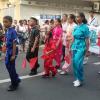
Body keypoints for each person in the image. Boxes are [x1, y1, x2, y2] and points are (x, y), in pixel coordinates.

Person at [71, 12, 90, 87]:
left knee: (78, 63)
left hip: (82, 46)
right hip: (75, 46)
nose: (76, 18)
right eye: (76, 17)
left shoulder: (85, 27)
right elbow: (73, 37)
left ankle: (80, 79)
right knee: (74, 63)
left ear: (82, 18)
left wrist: (87, 50)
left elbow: (87, 39)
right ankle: (77, 78)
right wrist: (70, 46)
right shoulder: (75, 27)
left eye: (78, 17)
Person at [3, 16, 21, 91]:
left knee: (11, 68)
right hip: (8, 50)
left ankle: (14, 84)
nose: (4, 23)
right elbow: (7, 41)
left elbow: (14, 43)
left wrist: (13, 55)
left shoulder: (13, 31)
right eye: (3, 22)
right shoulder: (7, 30)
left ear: (10, 22)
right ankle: (16, 78)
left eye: (6, 22)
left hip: (12, 51)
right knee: (8, 65)